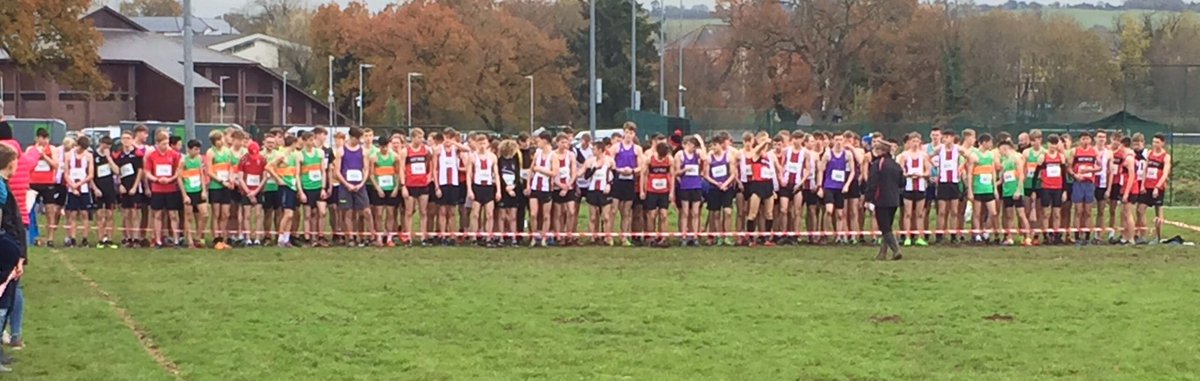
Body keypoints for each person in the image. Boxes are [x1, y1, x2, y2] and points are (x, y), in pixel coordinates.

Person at [334, 127, 375, 247]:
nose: (359, 140)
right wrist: (347, 184)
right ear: (351, 137)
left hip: (359, 186)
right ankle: (351, 238)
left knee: (366, 211)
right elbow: (337, 171)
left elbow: (366, 169)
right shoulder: (341, 151)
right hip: (346, 186)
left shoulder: (363, 151)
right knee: (348, 212)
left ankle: (371, 236)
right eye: (357, 138)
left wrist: (361, 183)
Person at [865, 140, 903, 260]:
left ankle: (896, 250)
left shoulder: (877, 164)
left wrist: (868, 198)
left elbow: (872, 183)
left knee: (884, 227)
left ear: (881, 151)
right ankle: (882, 253)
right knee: (887, 227)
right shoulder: (896, 165)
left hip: (881, 199)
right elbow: (902, 182)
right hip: (894, 200)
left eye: (877, 149)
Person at [144, 132, 183, 248]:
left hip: (171, 189)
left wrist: (171, 179)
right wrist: (156, 179)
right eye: (163, 144)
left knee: (173, 215)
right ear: (157, 144)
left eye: (167, 143)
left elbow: (178, 171)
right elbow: (147, 172)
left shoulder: (174, 155)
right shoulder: (152, 156)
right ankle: (158, 240)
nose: (165, 146)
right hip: (157, 189)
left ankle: (176, 239)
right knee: (157, 215)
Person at [466, 133, 500, 247]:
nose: (482, 146)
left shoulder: (492, 157)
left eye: (484, 143)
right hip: (477, 187)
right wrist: (469, 190)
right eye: (480, 143)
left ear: (488, 144)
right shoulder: (473, 157)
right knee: (475, 214)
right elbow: (469, 175)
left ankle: (488, 237)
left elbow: (496, 174)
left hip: (489, 187)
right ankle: (474, 237)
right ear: (476, 144)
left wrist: (498, 190)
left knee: (489, 214)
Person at [640, 142, 674, 248]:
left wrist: (672, 192)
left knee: (663, 214)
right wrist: (642, 190)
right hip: (652, 191)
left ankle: (663, 238)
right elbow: (643, 174)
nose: (662, 158)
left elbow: (672, 176)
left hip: (664, 191)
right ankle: (651, 237)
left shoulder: (669, 160)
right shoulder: (649, 160)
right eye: (661, 156)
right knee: (652, 215)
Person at [898, 133, 929, 247]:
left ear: (920, 142)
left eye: (917, 141)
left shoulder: (924, 155)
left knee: (920, 213)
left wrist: (921, 175)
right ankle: (907, 237)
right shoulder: (904, 156)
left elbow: (928, 171)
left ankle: (920, 237)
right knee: (907, 213)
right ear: (909, 142)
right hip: (908, 187)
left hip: (920, 187)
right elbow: (900, 172)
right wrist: (909, 175)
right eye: (913, 141)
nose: (915, 143)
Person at [62, 136, 94, 247]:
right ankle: (73, 238)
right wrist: (73, 186)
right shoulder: (68, 155)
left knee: (85, 213)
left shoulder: (89, 156)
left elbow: (90, 174)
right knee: (73, 214)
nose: (82, 150)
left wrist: (80, 184)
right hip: (72, 188)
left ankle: (85, 238)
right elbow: (66, 173)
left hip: (84, 188)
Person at [675, 136, 706, 246]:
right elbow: (676, 172)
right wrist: (684, 170)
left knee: (696, 212)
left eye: (694, 144)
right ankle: (684, 236)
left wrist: (701, 142)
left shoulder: (697, 154)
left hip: (696, 186)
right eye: (691, 144)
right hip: (685, 186)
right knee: (685, 212)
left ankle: (695, 236)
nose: (692, 146)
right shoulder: (680, 155)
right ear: (686, 144)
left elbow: (705, 157)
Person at [1140, 133, 1171, 243]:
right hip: (1147, 186)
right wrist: (1142, 184)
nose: (1155, 144)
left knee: (1158, 213)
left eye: (1157, 142)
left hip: (1158, 187)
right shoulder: (1149, 153)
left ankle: (1158, 237)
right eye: (1153, 142)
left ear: (1162, 143)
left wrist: (1157, 187)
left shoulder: (1166, 156)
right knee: (1140, 209)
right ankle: (1142, 236)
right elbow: (1145, 170)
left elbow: (1165, 173)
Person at [238, 141, 267, 247]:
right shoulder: (243, 160)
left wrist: (256, 191)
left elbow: (265, 177)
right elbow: (240, 178)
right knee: (247, 214)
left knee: (259, 214)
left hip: (258, 190)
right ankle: (248, 238)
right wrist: (249, 193)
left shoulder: (263, 159)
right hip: (247, 190)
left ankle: (258, 238)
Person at [180, 140, 208, 248]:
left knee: (205, 214)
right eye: (195, 149)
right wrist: (184, 195)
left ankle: (197, 236)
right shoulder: (183, 161)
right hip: (188, 191)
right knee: (188, 217)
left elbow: (201, 174)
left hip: (198, 190)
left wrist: (204, 190)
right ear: (189, 149)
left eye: (198, 149)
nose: (197, 151)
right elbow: (179, 178)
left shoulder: (199, 159)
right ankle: (190, 240)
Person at [92, 137, 119, 248]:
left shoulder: (112, 156)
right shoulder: (94, 156)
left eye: (109, 146)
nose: (106, 148)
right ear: (101, 144)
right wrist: (94, 189)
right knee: (99, 214)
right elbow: (90, 175)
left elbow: (117, 171)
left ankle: (109, 239)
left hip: (109, 188)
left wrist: (108, 157)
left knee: (110, 214)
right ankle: (100, 239)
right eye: (105, 146)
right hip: (98, 187)